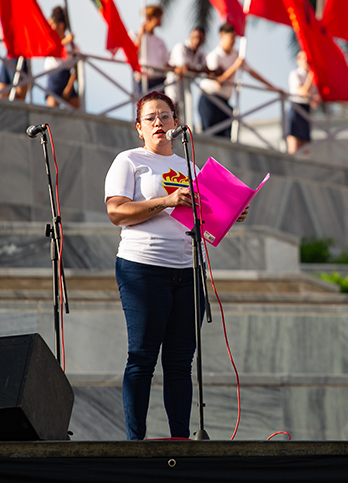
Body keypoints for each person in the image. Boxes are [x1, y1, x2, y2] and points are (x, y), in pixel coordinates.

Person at [104, 92, 248, 440]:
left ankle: (181, 441)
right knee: (142, 357)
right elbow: (116, 212)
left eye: (165, 116)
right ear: (139, 128)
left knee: (181, 364)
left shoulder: (190, 168)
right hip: (143, 269)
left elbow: (205, 222)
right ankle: (134, 442)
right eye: (151, 118)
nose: (159, 123)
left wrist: (230, 213)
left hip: (188, 273)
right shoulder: (129, 161)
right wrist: (166, 200)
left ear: (176, 123)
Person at [199, 23, 277, 138]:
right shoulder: (214, 56)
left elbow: (252, 72)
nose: (233, 41)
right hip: (210, 100)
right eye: (231, 38)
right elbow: (218, 82)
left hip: (224, 102)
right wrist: (235, 66)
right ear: (222, 37)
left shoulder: (236, 55)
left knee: (225, 138)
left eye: (234, 38)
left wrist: (272, 87)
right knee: (210, 136)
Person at [43, 6, 79, 108]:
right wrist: (66, 40)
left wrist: (69, 87)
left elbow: (76, 68)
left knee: (76, 105)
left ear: (60, 26)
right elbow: (51, 51)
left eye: (52, 24)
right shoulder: (50, 42)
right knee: (52, 105)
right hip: (53, 78)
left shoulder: (73, 47)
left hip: (67, 77)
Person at [286, 51, 319, 155]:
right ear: (298, 60)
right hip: (296, 108)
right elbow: (303, 92)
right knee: (294, 147)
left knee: (306, 148)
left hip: (306, 110)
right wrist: (311, 76)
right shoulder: (295, 74)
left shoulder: (312, 78)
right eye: (303, 58)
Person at [165, 26, 207, 104]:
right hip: (173, 86)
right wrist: (198, 71)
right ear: (190, 36)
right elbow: (185, 68)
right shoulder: (181, 47)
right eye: (196, 37)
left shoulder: (200, 54)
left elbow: (207, 70)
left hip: (185, 88)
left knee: (184, 110)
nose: (197, 41)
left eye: (200, 38)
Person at [134, 5, 169, 95]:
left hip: (160, 81)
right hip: (144, 80)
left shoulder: (160, 41)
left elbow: (166, 63)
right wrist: (141, 34)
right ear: (149, 18)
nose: (160, 19)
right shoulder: (135, 35)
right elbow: (133, 52)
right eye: (158, 16)